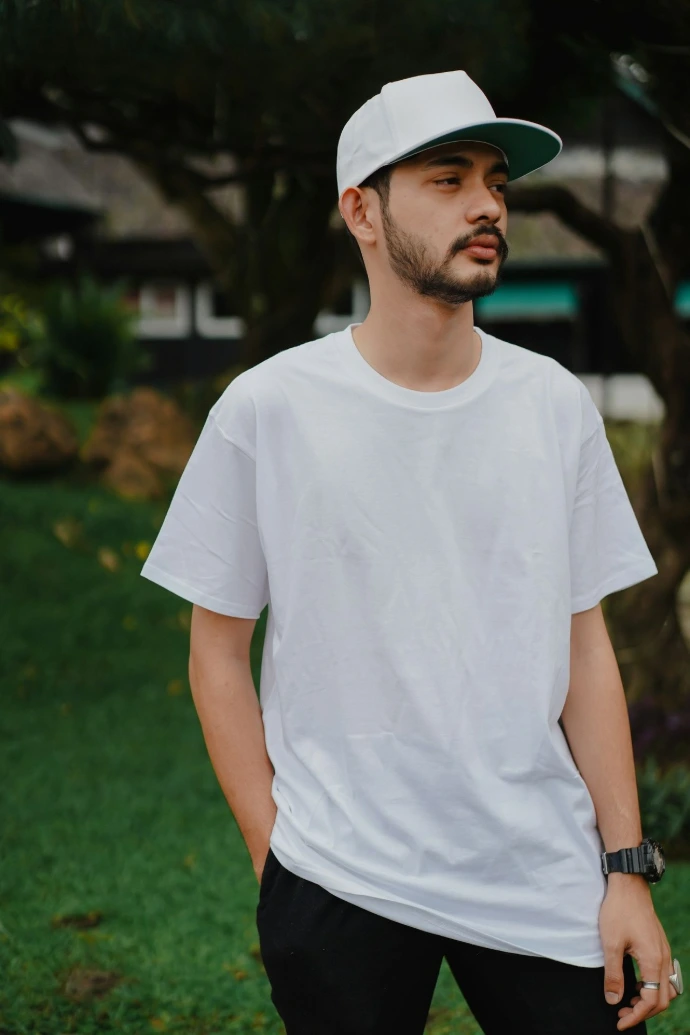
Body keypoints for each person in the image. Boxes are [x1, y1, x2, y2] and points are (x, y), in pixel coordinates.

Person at [140, 70, 682, 1034]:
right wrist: (281, 863)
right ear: (362, 209)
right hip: (338, 877)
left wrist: (627, 871)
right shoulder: (266, 410)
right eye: (447, 178)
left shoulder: (553, 405)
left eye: (496, 182)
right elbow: (216, 654)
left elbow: (585, 648)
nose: (487, 204)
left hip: (536, 871)